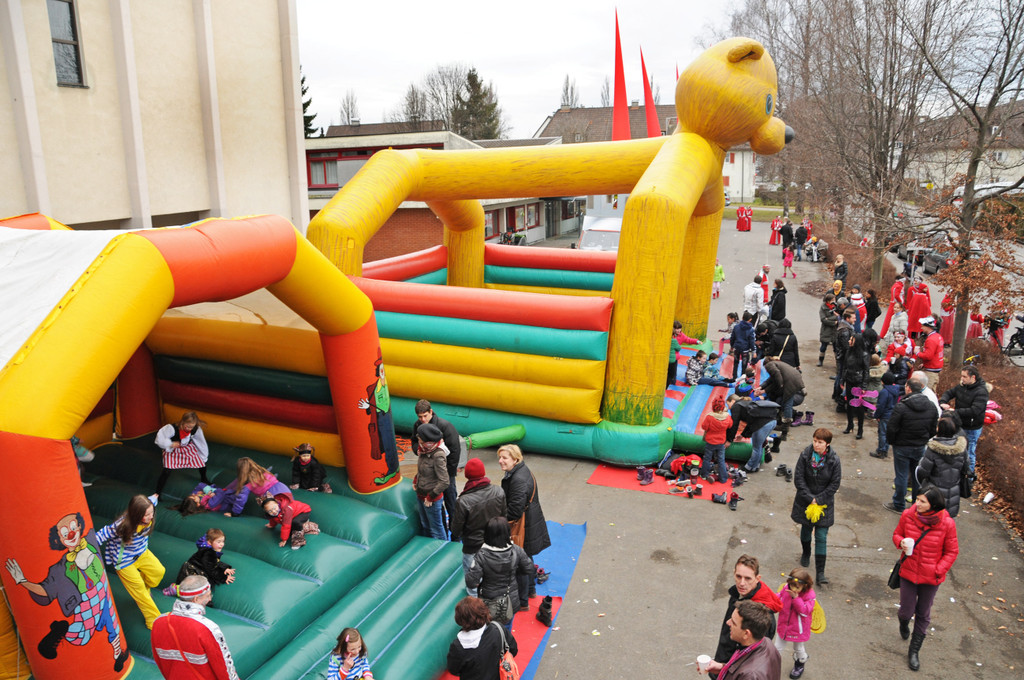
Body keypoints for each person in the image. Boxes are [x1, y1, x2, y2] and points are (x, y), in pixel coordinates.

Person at [4, 512, 129, 671]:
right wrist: (23, 582)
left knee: (111, 622)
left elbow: (106, 532)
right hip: (88, 599)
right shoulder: (61, 568)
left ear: (78, 527)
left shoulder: (90, 540)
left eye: (72, 528)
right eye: (64, 533)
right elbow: (46, 590)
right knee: (83, 634)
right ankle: (61, 631)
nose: (70, 534)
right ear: (60, 540)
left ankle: (118, 654)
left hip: (103, 592)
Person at [892, 487, 959, 671]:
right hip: (908, 571)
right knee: (906, 610)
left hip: (931, 578)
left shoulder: (947, 523)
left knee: (923, 613)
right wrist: (901, 542)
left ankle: (914, 651)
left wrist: (938, 570)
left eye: (922, 501)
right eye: (917, 500)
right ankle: (903, 622)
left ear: (933, 505)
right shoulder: (908, 515)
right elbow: (896, 534)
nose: (917, 504)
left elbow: (952, 551)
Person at [96, 494, 164, 629]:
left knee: (159, 572)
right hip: (124, 562)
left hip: (142, 553)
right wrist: (87, 548)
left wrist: (155, 496)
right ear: (136, 515)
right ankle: (154, 621)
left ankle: (144, 588)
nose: (151, 516)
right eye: (147, 514)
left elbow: (151, 500)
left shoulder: (149, 506)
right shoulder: (122, 525)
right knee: (141, 592)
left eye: (152, 512)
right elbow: (101, 535)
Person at [151, 575, 239, 680]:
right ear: (196, 599)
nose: (210, 598)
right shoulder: (208, 628)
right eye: (208, 595)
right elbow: (224, 668)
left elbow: (160, 661)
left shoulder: (158, 622)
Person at [498, 444, 551, 605]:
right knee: (526, 556)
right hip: (530, 521)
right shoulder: (521, 471)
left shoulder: (518, 480)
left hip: (524, 525)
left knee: (520, 561)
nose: (500, 461)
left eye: (504, 458)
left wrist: (499, 518)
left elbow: (514, 510)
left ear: (515, 459)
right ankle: (530, 590)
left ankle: (524, 600)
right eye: (499, 457)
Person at [791, 429, 842, 585]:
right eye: (815, 440)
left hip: (824, 503)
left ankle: (820, 573)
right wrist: (809, 498)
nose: (816, 444)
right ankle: (806, 553)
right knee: (806, 530)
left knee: (821, 536)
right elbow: (798, 478)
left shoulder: (834, 460)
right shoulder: (805, 455)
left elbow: (834, 484)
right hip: (805, 501)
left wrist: (818, 499)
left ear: (827, 444)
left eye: (820, 442)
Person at [713, 555, 783, 667]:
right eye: (738, 576)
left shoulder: (762, 613)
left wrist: (724, 668)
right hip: (724, 658)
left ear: (757, 578)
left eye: (748, 578)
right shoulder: (739, 594)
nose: (741, 583)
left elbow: (753, 656)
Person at [451, 458, 507, 596]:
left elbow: (456, 529)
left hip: (473, 547)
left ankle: (476, 609)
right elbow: (504, 516)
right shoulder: (498, 491)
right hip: (494, 544)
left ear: (467, 475)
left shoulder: (463, 501)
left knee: (473, 584)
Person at [885, 377, 939, 513]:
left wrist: (892, 441)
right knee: (917, 476)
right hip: (920, 446)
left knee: (902, 476)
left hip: (902, 446)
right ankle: (917, 503)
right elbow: (934, 428)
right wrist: (925, 438)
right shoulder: (931, 406)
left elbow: (892, 427)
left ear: (908, 388)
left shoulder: (901, 406)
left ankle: (898, 504)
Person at [466, 517, 534, 624]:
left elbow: (471, 582)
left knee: (489, 629)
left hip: (489, 601)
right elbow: (529, 568)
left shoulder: (481, 556)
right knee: (507, 629)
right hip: (510, 600)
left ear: (487, 534)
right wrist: (514, 571)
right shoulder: (516, 550)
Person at [413, 400, 463, 529]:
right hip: (430, 475)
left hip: (445, 472)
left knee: (451, 502)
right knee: (436, 505)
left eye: (425, 416)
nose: (423, 419)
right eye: (420, 417)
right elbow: (413, 441)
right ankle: (443, 528)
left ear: (431, 412)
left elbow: (455, 450)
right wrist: (417, 450)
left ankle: (455, 531)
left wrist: (449, 473)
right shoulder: (417, 426)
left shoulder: (445, 426)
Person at [446, 596, 518, 680]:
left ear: (460, 619)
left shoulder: (459, 646)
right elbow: (513, 649)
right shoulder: (498, 628)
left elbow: (453, 669)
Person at [707, 601, 783, 680]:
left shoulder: (750, 676)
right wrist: (723, 668)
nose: (728, 622)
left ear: (746, 634)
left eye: (733, 622)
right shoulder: (766, 642)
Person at [939, 365, 989, 475]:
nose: (962, 379)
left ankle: (969, 478)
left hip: (972, 428)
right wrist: (943, 401)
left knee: (969, 453)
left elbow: (975, 410)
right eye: (961, 376)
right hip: (959, 424)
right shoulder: (962, 386)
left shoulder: (981, 392)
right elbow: (949, 393)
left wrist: (955, 412)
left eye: (964, 376)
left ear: (973, 377)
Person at [916, 416, 969, 518]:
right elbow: (966, 468)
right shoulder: (962, 447)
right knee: (947, 521)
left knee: (931, 519)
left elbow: (923, 472)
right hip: (953, 490)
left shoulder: (933, 449)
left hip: (934, 491)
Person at [163, 528, 235, 597]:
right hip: (192, 571)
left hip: (195, 569)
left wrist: (224, 568)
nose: (222, 544)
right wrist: (224, 577)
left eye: (223, 541)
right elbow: (211, 569)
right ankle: (176, 589)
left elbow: (213, 562)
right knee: (191, 590)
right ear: (209, 542)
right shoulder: (208, 553)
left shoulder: (210, 551)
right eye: (218, 542)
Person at [154, 411, 210, 500]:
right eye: (187, 426)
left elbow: (200, 442)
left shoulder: (195, 429)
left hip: (186, 448)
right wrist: (171, 444)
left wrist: (203, 456)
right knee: (167, 471)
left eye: (191, 427)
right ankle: (157, 493)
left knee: (201, 463)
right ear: (183, 422)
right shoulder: (171, 428)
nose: (189, 429)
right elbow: (159, 439)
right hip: (172, 450)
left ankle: (204, 478)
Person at [774, 568, 816, 679]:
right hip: (784, 625)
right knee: (777, 648)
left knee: (798, 649)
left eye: (797, 587)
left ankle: (800, 663)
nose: (793, 589)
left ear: (805, 586)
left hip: (799, 629)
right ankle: (770, 665)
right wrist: (773, 600)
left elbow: (804, 611)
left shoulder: (809, 596)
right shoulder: (786, 588)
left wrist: (796, 598)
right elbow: (780, 596)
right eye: (792, 585)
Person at [726, 387, 778, 474]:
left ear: (732, 401)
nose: (729, 408)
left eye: (728, 405)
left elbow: (734, 424)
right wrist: (742, 435)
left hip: (763, 424)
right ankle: (755, 466)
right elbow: (750, 423)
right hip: (772, 421)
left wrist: (729, 440)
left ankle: (749, 467)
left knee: (756, 447)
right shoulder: (745, 404)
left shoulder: (736, 406)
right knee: (759, 445)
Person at [414, 422, 451, 540]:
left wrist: (431, 496)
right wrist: (416, 480)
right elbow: (423, 469)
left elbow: (444, 481)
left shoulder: (438, 455)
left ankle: (441, 552)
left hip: (431, 499)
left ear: (426, 440)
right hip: (421, 494)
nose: (417, 439)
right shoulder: (424, 450)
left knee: (436, 529)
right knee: (425, 525)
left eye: (419, 437)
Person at [224, 457, 293, 517]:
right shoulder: (263, 472)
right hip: (284, 490)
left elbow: (241, 499)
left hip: (274, 497)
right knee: (290, 508)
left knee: (276, 513)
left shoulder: (249, 485)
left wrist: (235, 513)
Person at [761, 356, 804, 440]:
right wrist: (761, 387)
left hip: (792, 387)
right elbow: (771, 380)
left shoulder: (769, 365)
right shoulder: (779, 364)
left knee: (787, 404)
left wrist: (780, 385)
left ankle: (784, 431)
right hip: (796, 384)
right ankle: (782, 425)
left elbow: (776, 376)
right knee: (781, 401)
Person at [842, 334, 871, 439]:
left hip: (858, 383)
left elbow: (866, 371)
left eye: (851, 339)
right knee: (849, 404)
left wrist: (864, 386)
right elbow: (845, 367)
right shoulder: (849, 351)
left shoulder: (864, 355)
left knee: (859, 407)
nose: (849, 341)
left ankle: (860, 429)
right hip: (849, 381)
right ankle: (850, 425)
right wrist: (842, 380)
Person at [701, 396, 733, 482]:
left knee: (707, 458)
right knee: (721, 460)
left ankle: (704, 475)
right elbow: (730, 425)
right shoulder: (727, 416)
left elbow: (704, 427)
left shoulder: (710, 417)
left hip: (710, 441)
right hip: (721, 441)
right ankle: (723, 478)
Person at [871, 372, 900, 459]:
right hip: (892, 414)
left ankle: (881, 451)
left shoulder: (884, 392)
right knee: (888, 433)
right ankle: (885, 449)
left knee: (882, 434)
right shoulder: (896, 389)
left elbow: (881, 406)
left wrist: (877, 416)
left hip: (885, 415)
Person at [916, 317, 944, 388]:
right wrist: (924, 364)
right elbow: (935, 354)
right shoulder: (938, 336)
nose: (921, 327)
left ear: (928, 327)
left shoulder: (931, 340)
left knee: (928, 392)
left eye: (923, 326)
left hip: (931, 371)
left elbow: (928, 356)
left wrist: (917, 353)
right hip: (935, 367)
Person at [729, 312, 757, 381]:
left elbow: (732, 337)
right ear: (750, 319)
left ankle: (734, 377)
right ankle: (743, 378)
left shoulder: (736, 327)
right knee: (744, 365)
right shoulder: (751, 329)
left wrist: (732, 345)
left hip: (737, 348)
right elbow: (752, 341)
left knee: (736, 363)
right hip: (745, 349)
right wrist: (754, 351)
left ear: (742, 318)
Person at [817, 293, 838, 368]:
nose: (834, 301)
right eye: (832, 300)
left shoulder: (836, 306)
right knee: (823, 346)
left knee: (836, 348)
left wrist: (828, 318)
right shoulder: (823, 307)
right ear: (828, 301)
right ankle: (820, 360)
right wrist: (834, 321)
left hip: (835, 331)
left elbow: (838, 317)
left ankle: (837, 362)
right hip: (826, 330)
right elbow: (823, 319)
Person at [669, 323, 684, 388]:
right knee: (672, 372)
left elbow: (688, 339)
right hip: (673, 358)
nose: (678, 330)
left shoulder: (681, 336)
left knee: (671, 372)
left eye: (679, 329)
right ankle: (671, 382)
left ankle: (671, 382)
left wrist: (696, 341)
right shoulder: (674, 340)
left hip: (673, 357)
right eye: (676, 329)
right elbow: (678, 348)